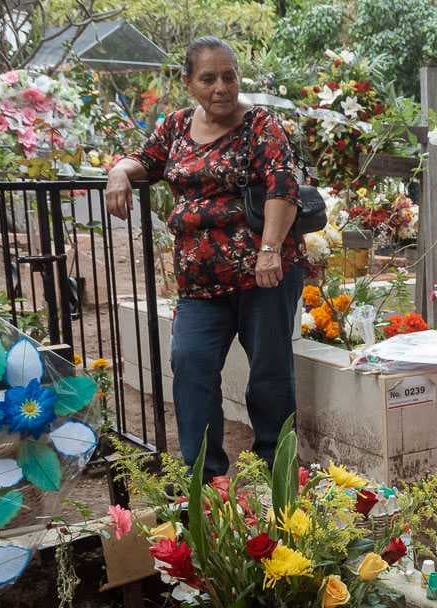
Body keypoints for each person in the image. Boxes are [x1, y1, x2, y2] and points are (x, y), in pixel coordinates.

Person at [104, 36, 307, 480]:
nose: (221, 87)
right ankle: (204, 479)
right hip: (199, 284)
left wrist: (270, 251)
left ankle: (279, 474)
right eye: (209, 78)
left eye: (229, 76)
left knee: (270, 376)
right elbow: (146, 160)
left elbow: (282, 188)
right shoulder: (176, 126)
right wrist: (119, 170)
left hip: (263, 275)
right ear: (189, 82)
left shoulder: (261, 126)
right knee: (191, 364)